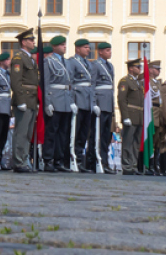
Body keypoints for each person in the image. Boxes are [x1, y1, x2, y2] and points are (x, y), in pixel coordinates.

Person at [8, 29, 38, 173]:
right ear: (24, 42)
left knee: (27, 133)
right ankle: (18, 162)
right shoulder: (19, 58)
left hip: (31, 99)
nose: (33, 42)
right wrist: (20, 100)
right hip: (24, 98)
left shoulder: (30, 58)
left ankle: (24, 160)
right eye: (31, 40)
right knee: (20, 132)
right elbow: (16, 80)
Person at [42, 36, 73, 173]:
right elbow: (46, 83)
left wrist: (72, 102)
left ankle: (58, 160)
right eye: (61, 45)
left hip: (66, 100)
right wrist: (47, 102)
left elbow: (70, 84)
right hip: (54, 99)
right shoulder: (48, 61)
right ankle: (48, 160)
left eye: (65, 44)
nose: (64, 47)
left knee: (63, 133)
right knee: (51, 132)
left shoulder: (67, 62)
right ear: (54, 47)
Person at [67, 39, 95, 173]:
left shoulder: (88, 64)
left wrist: (93, 103)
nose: (88, 50)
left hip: (87, 102)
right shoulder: (72, 62)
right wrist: (72, 101)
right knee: (75, 132)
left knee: (84, 134)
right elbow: (70, 82)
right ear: (77, 49)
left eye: (88, 48)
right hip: (78, 100)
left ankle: (79, 160)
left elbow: (92, 84)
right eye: (85, 47)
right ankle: (70, 159)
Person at [88, 43, 115, 173]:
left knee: (106, 136)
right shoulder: (95, 65)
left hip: (108, 104)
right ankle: (93, 161)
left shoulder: (110, 66)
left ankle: (104, 162)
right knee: (96, 135)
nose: (110, 52)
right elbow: (92, 85)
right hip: (100, 104)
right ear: (101, 52)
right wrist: (93, 104)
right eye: (107, 50)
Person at [116, 58, 144, 175]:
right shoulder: (125, 81)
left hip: (139, 116)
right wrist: (125, 116)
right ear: (131, 68)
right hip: (130, 116)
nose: (140, 69)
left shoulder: (138, 82)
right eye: (138, 67)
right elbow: (121, 100)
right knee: (128, 142)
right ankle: (127, 166)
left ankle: (133, 165)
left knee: (136, 143)